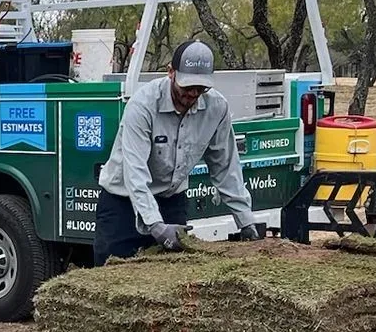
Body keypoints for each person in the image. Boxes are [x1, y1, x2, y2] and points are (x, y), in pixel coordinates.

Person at [94, 39, 262, 266]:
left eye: (200, 88)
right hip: (123, 203)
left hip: (171, 200)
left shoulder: (216, 108)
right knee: (113, 275)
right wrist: (155, 226)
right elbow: (135, 173)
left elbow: (226, 168)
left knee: (174, 280)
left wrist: (246, 222)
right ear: (171, 73)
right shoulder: (142, 106)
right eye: (187, 86)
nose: (192, 94)